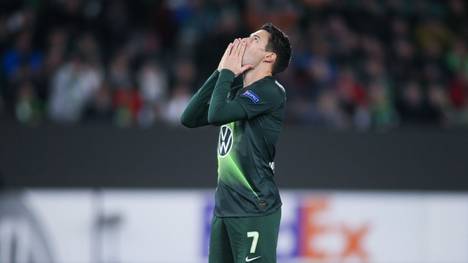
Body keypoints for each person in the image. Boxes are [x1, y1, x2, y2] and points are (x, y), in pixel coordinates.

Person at [181, 22, 291, 263]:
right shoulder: (236, 90)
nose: (245, 40)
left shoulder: (271, 91)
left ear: (269, 57)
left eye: (255, 39)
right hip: (225, 209)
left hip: (255, 208)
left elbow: (216, 114)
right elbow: (189, 118)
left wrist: (228, 73)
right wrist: (220, 72)